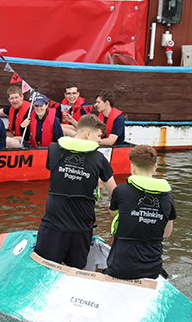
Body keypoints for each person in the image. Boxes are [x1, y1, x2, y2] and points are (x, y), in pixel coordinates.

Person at [34, 114, 117, 269]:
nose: (100, 140)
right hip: (80, 230)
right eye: (99, 136)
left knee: (44, 271)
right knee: (76, 273)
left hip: (53, 226)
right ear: (87, 133)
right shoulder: (99, 159)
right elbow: (116, 194)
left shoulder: (53, 149)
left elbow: (60, 177)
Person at [103, 144, 176, 280]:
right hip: (152, 268)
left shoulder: (121, 191)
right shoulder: (167, 196)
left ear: (133, 167)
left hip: (120, 266)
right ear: (154, 168)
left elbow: (113, 213)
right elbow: (167, 233)